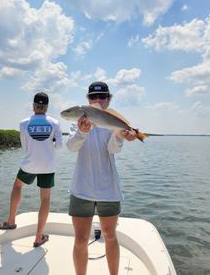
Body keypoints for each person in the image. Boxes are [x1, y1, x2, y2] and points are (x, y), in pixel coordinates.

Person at [66, 81, 137, 275]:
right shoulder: (77, 122)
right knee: (80, 240)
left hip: (108, 189)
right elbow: (71, 147)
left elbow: (113, 149)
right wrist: (82, 132)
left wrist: (121, 135)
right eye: (93, 97)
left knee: (110, 235)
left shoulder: (112, 121)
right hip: (81, 188)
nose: (98, 100)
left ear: (109, 99)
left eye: (102, 96)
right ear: (87, 100)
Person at [0, 92, 63, 247]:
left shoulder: (23, 123)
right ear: (47, 107)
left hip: (30, 164)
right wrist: (50, 143)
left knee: (17, 186)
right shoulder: (55, 123)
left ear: (33, 106)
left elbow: (25, 147)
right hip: (48, 165)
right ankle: (39, 237)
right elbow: (59, 146)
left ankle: (11, 221)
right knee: (45, 199)